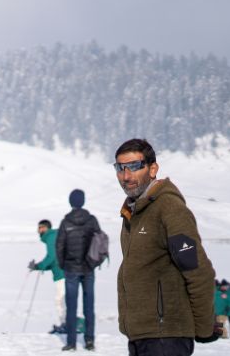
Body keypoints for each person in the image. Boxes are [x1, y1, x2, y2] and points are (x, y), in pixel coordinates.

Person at [114, 139, 219, 356]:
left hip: (166, 337)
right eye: (120, 168)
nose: (126, 176)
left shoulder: (169, 209)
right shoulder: (134, 212)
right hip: (142, 336)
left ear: (153, 169)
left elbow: (197, 270)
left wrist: (203, 328)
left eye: (134, 166)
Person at [56, 189, 100, 351]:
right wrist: (94, 263)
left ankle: (71, 342)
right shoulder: (91, 220)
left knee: (71, 306)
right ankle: (89, 341)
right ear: (83, 201)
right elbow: (99, 242)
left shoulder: (66, 222)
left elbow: (59, 246)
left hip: (71, 269)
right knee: (89, 306)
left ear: (71, 202)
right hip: (88, 268)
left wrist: (63, 264)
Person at [29, 219, 65, 334]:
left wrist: (38, 265)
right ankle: (65, 324)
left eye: (41, 227)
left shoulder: (50, 236)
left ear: (47, 228)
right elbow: (54, 261)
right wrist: (39, 267)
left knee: (60, 300)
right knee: (62, 300)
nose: (39, 230)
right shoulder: (54, 236)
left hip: (63, 274)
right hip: (62, 273)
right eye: (38, 228)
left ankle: (66, 325)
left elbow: (51, 257)